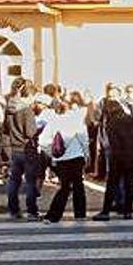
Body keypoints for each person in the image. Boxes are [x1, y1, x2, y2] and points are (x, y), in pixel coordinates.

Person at [93, 100, 133, 221]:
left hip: (119, 158)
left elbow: (114, 144)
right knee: (130, 185)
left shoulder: (112, 123)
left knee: (112, 185)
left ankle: (105, 211)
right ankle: (128, 211)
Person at [39, 95, 89, 223]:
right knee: (78, 185)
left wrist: (52, 153)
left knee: (64, 187)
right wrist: (87, 155)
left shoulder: (53, 122)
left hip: (61, 159)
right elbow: (84, 140)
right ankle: (80, 214)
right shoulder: (77, 121)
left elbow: (43, 141)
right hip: (77, 156)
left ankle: (53, 215)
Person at [2, 77, 40, 220]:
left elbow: (5, 129)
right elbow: (30, 132)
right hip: (27, 148)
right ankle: (32, 211)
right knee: (30, 182)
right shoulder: (26, 110)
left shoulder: (9, 107)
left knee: (14, 181)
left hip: (13, 148)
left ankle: (14, 210)